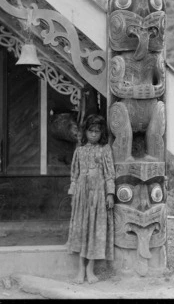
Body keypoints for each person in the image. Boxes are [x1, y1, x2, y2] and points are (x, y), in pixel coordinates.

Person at [67, 114, 115, 284]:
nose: (93, 134)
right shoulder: (79, 151)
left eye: (97, 131)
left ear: (101, 133)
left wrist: (110, 193)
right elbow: (74, 174)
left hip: (99, 195)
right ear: (85, 131)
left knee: (95, 229)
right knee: (81, 229)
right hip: (82, 195)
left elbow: (110, 174)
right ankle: (80, 268)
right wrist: (73, 193)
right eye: (90, 131)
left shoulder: (105, 150)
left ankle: (90, 268)